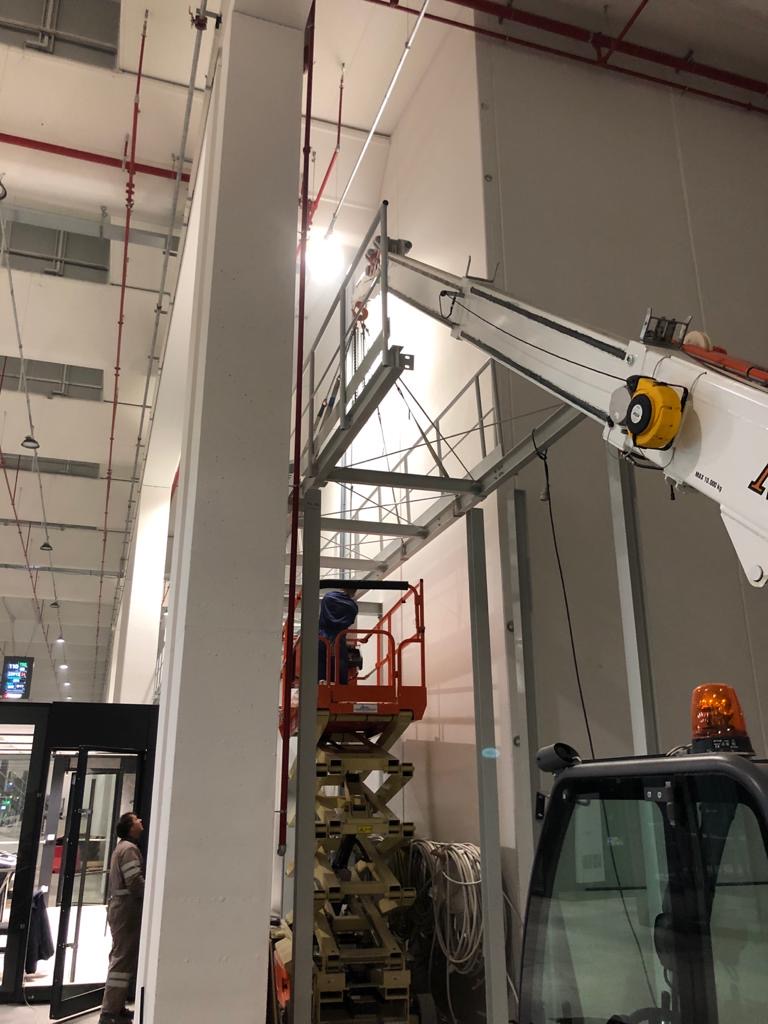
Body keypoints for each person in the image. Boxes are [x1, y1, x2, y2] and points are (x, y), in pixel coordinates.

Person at [99, 812, 144, 1024]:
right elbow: (134, 881)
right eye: (136, 820)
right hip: (126, 909)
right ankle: (109, 1013)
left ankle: (116, 1007)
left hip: (121, 908)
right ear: (129, 827)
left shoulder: (123, 848)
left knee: (122, 957)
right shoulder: (129, 849)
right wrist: (152, 893)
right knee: (121, 960)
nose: (140, 821)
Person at [318, 583, 358, 684]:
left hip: (322, 635)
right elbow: (350, 621)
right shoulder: (352, 606)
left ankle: (321, 680)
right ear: (354, 592)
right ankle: (339, 684)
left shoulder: (328, 597)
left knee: (321, 660)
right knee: (339, 662)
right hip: (338, 637)